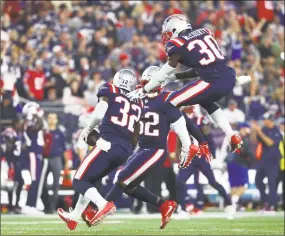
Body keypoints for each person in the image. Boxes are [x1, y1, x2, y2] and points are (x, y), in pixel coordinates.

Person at [127, 14, 243, 153]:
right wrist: (175, 77)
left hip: (213, 81)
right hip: (228, 75)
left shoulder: (177, 44)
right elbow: (202, 68)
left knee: (170, 102)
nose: (167, 38)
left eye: (168, 34)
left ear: (175, 29)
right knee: (204, 100)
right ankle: (231, 135)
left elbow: (164, 73)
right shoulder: (204, 33)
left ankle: (188, 147)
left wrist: (144, 90)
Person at [57, 69, 143, 230]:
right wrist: (128, 150)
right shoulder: (138, 102)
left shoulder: (110, 89)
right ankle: (75, 216)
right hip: (125, 149)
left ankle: (103, 204)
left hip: (108, 143)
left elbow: (99, 113)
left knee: (79, 180)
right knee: (88, 180)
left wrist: (89, 128)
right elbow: (138, 131)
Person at [252, 113, 283, 212]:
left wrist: (259, 131)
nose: (264, 121)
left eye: (265, 119)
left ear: (271, 120)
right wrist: (254, 130)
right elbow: (253, 140)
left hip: (273, 161)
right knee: (258, 180)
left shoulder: (276, 131)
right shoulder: (264, 130)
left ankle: (272, 205)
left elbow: (270, 142)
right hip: (263, 160)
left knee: (271, 183)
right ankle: (265, 201)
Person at [21, 102, 45, 215]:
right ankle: (29, 205)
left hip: (37, 153)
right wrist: (37, 116)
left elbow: (43, 128)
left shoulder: (34, 121)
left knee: (37, 180)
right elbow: (37, 127)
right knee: (34, 180)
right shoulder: (30, 123)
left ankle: (32, 205)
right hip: (33, 154)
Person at [41, 113, 68, 214]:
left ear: (56, 120)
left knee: (56, 185)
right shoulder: (43, 132)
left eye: (54, 118)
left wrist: (67, 161)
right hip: (45, 159)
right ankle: (46, 205)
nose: (52, 120)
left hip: (57, 159)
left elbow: (64, 148)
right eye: (50, 118)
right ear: (47, 119)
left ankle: (52, 207)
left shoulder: (59, 133)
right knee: (42, 184)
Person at [1, 119, 24, 214]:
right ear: (15, 123)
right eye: (19, 123)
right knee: (10, 183)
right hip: (9, 160)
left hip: (14, 161)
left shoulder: (17, 133)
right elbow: (7, 146)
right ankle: (11, 206)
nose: (21, 125)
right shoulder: (10, 132)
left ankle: (14, 205)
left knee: (18, 182)